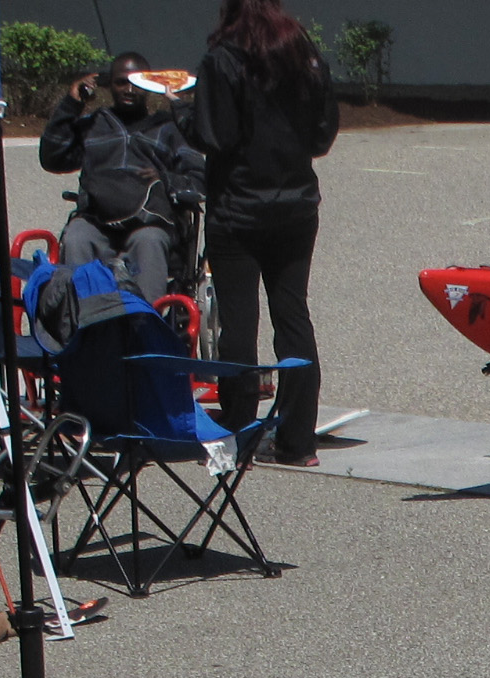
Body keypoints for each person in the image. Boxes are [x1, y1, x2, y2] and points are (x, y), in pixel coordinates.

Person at [187, 0, 337, 467]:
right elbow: (322, 134)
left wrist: (179, 114)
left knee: (239, 324)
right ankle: (298, 441)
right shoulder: (302, 51)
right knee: (293, 317)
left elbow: (214, 135)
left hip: (238, 207)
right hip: (294, 205)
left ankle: (237, 437)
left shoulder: (223, 58)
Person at [39, 51, 203, 305]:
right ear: (110, 86)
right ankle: (82, 321)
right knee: (77, 237)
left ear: (147, 86)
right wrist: (71, 104)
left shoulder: (168, 128)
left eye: (135, 83)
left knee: (149, 242)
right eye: (121, 82)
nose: (128, 89)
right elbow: (52, 158)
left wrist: (164, 179)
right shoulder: (95, 124)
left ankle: (147, 325)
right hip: (97, 218)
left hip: (150, 221)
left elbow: (199, 181)